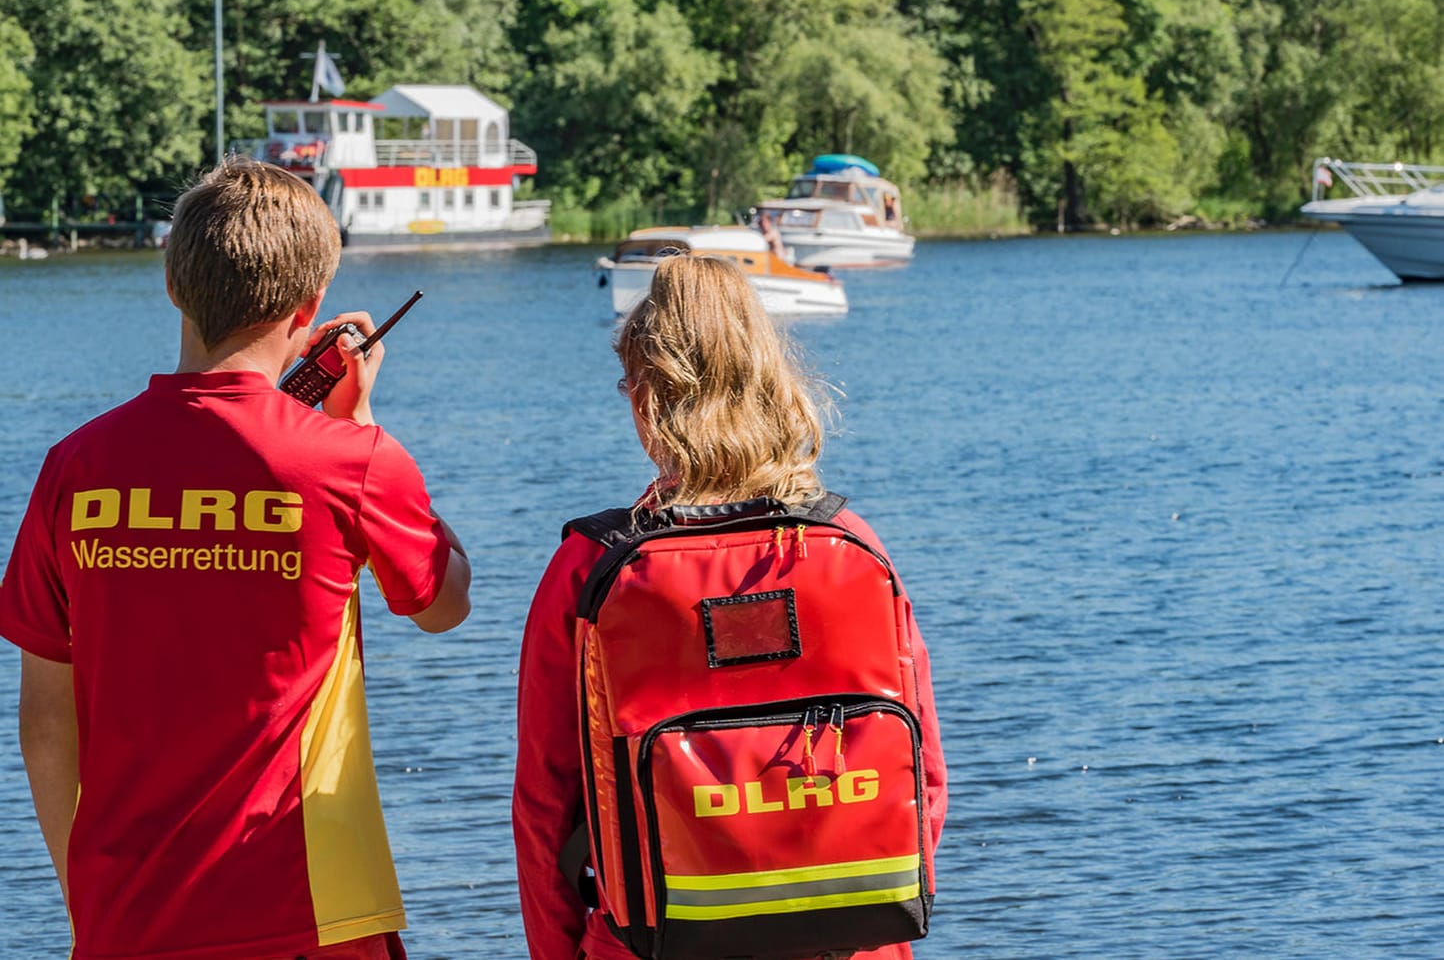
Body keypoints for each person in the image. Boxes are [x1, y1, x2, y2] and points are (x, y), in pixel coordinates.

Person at [0, 156, 471, 960]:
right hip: (311, 910)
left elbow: (45, 725)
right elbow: (443, 601)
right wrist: (362, 425)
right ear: (310, 306)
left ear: (174, 284)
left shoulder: (75, 467)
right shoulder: (350, 461)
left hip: (125, 921)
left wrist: (90, 911)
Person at [512, 255, 946, 960]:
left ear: (650, 393)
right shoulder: (851, 547)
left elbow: (544, 807)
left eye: (628, 382)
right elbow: (921, 779)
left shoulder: (590, 568)